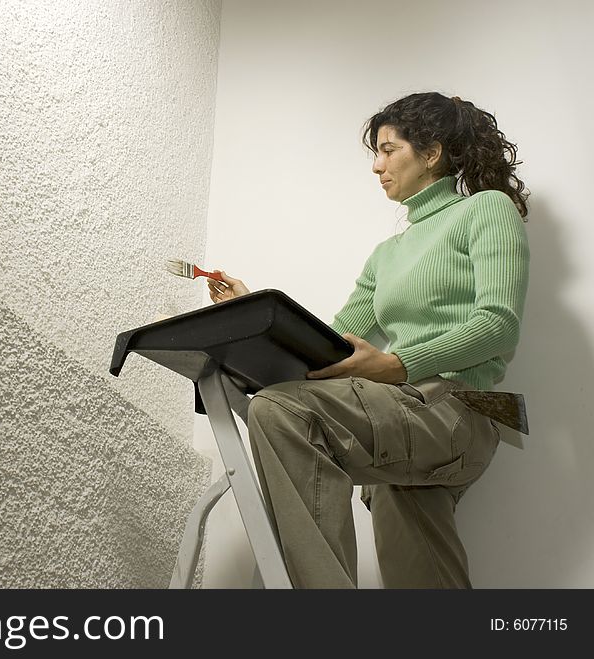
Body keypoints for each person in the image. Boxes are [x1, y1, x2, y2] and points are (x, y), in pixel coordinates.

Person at [206, 91, 530, 588]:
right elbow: (334, 344)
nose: (376, 166)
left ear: (432, 153)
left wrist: (397, 364)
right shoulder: (387, 254)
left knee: (281, 410)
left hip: (459, 409)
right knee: (424, 580)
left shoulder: (486, 211)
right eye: (375, 153)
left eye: (387, 149)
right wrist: (249, 311)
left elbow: (498, 324)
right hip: (404, 415)